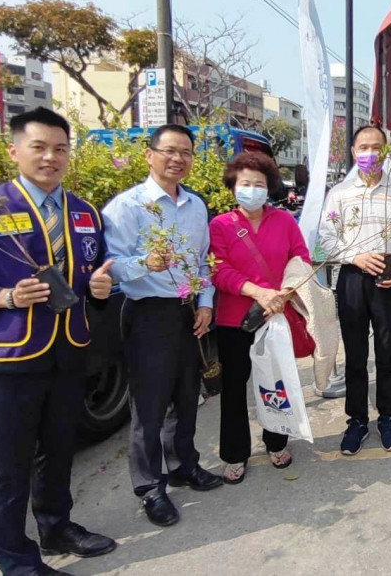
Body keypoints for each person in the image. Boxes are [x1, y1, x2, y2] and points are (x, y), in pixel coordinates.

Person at [0, 107, 117, 576]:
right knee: (7, 470)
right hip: (5, 359)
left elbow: (94, 273)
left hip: (69, 351)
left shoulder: (84, 213)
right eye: (39, 147)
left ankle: (57, 527)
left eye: (60, 149)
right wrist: (3, 296)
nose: (51, 157)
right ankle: (17, 562)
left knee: (58, 452)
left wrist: (99, 288)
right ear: (14, 151)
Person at [101, 124, 222, 528]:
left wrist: (204, 303)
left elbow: (202, 260)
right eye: (169, 151)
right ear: (149, 155)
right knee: (149, 408)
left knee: (188, 398)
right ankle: (151, 488)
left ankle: (185, 465)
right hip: (148, 313)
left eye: (186, 152)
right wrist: (143, 264)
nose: (178, 159)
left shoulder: (195, 206)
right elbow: (111, 266)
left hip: (187, 312)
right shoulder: (127, 207)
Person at [208, 152, 311, 482]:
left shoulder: (284, 221)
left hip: (276, 317)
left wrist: (284, 293)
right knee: (234, 389)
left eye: (259, 184)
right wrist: (257, 292)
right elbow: (218, 270)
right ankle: (235, 453)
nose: (252, 189)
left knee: (275, 385)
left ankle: (276, 441)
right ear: (233, 187)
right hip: (233, 320)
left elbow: (301, 260)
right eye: (245, 183)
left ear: (269, 188)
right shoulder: (220, 225)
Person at [318, 125, 391, 456]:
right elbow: (327, 239)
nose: (370, 154)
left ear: (387, 152)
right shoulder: (339, 194)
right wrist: (355, 257)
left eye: (377, 147)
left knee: (387, 352)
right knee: (356, 354)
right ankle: (357, 421)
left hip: (388, 281)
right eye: (363, 147)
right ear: (353, 152)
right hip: (351, 280)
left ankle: (387, 417)